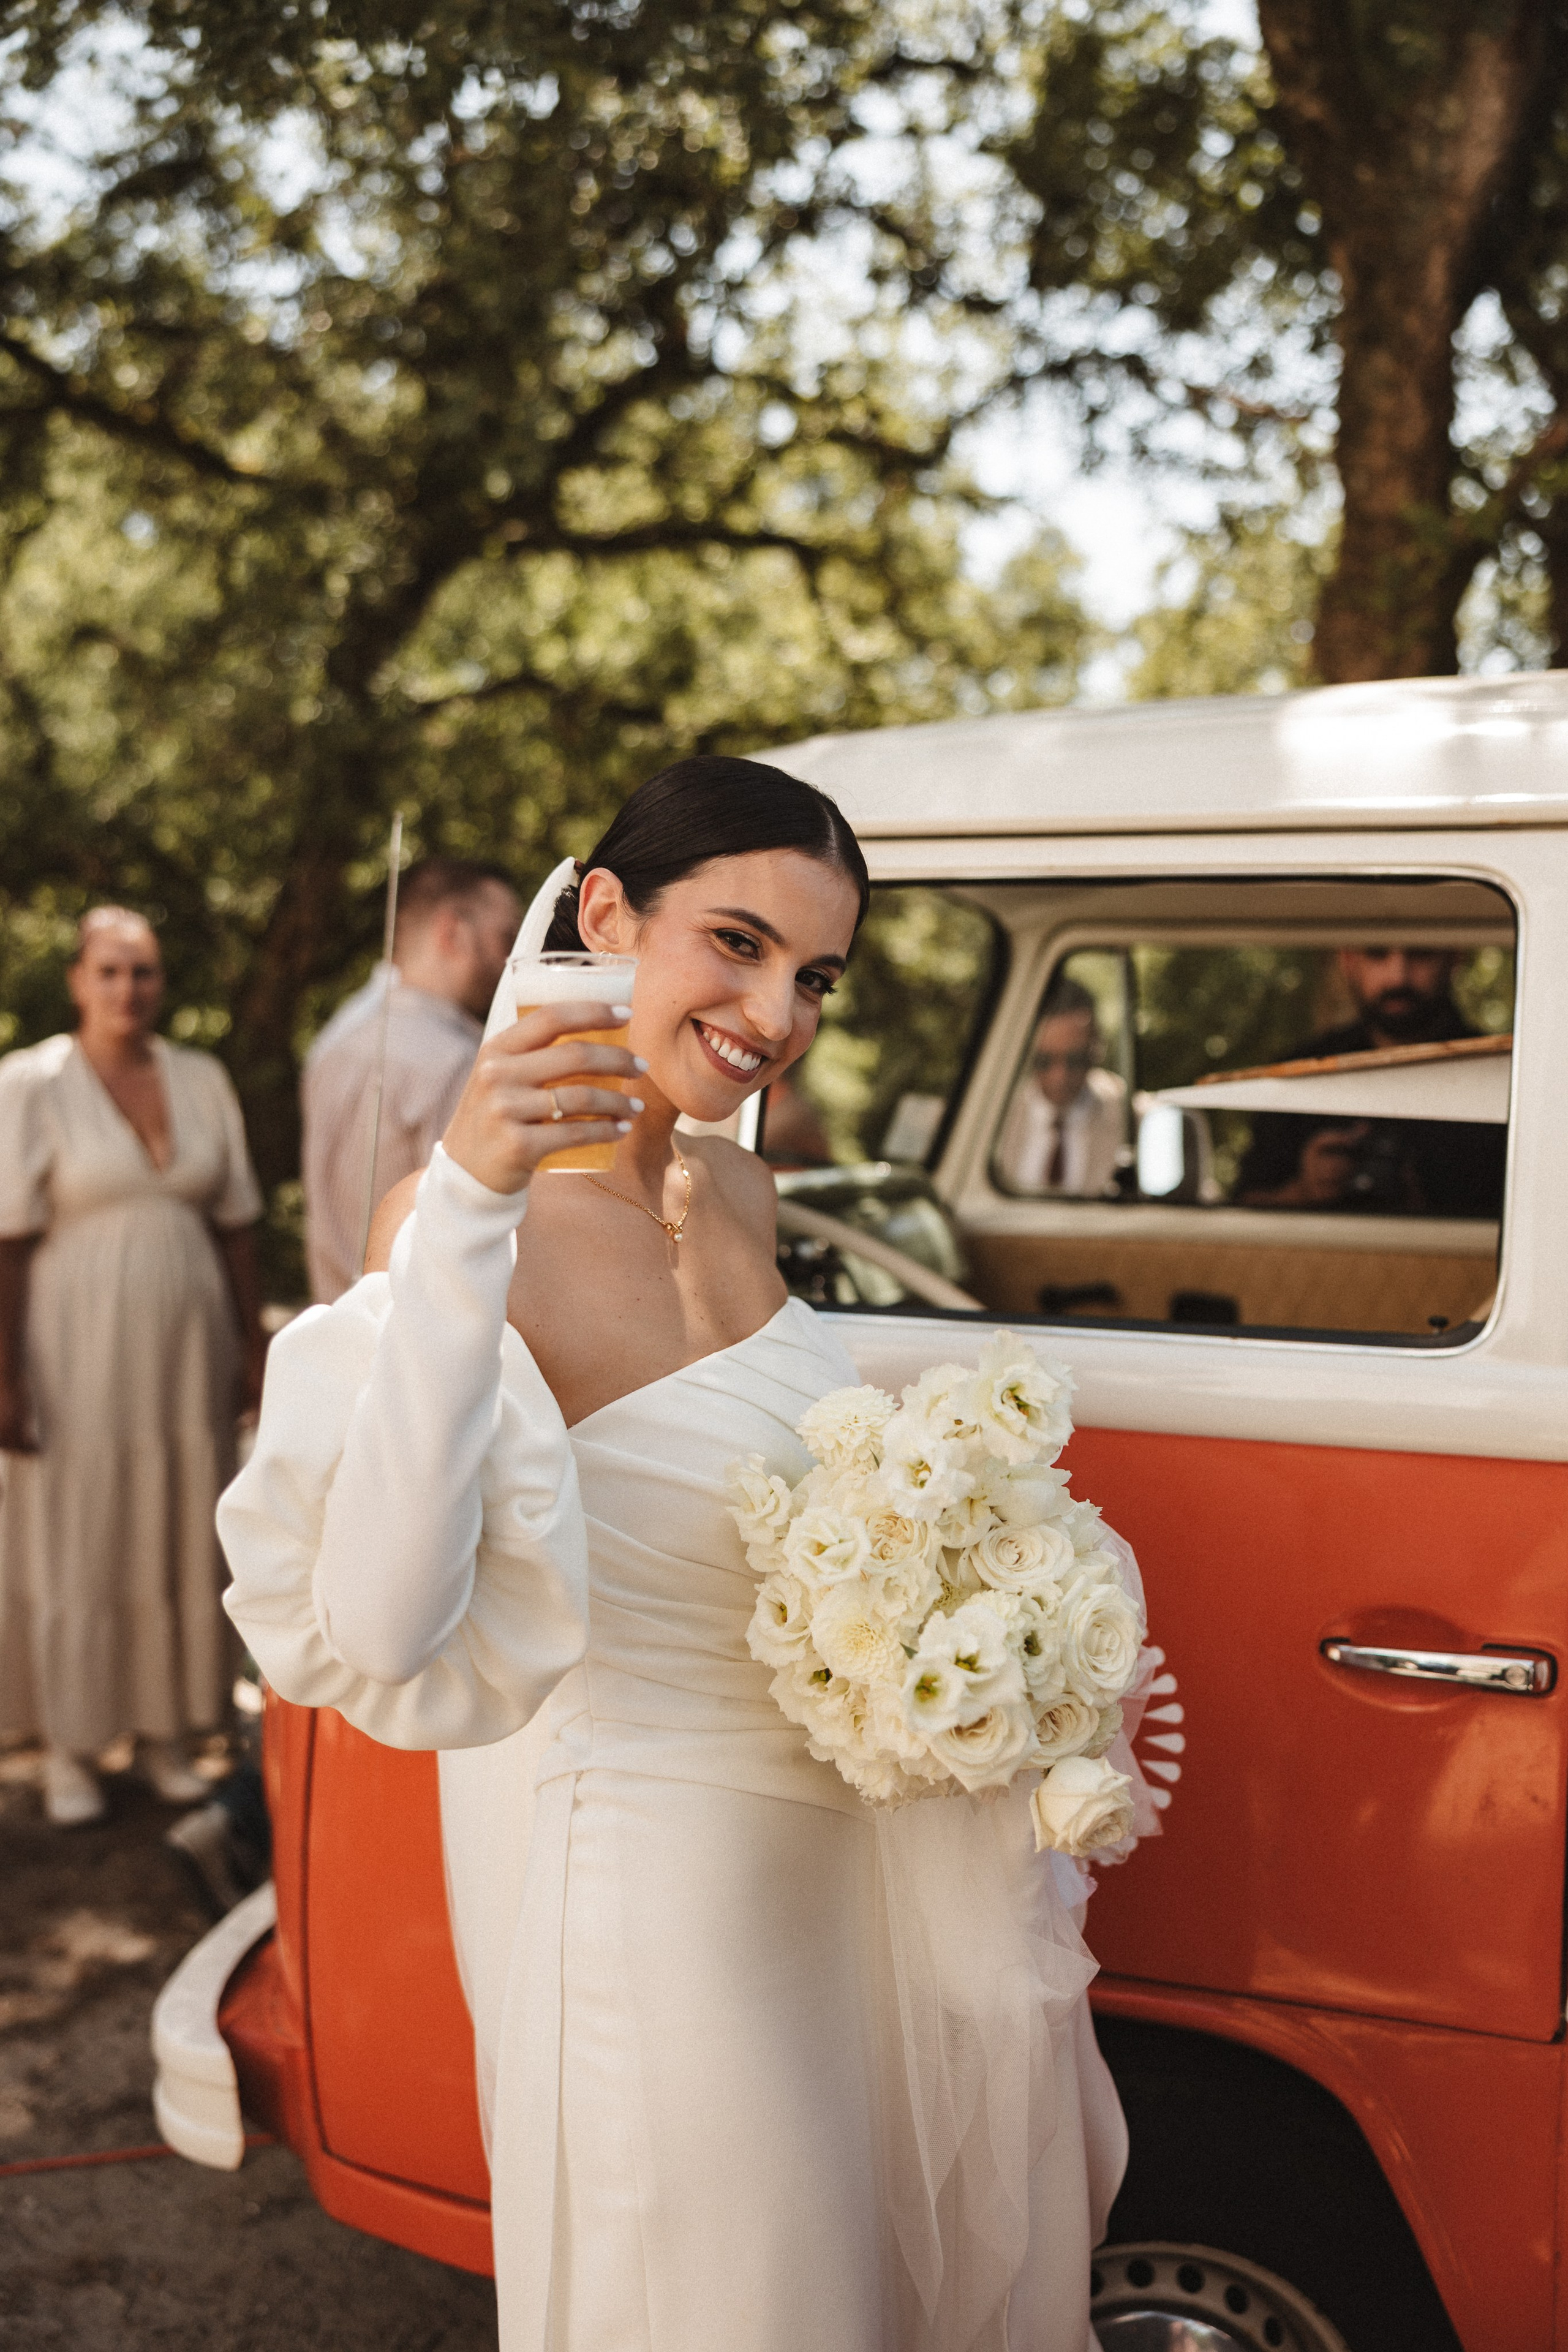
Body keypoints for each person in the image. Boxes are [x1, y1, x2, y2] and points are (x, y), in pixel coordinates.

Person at [220, 756, 1158, 2352]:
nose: (778, 1011)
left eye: (815, 977)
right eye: (736, 943)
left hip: (834, 1887)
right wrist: (463, 1208)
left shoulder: (740, 1183)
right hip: (651, 1902)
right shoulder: (446, 1225)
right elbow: (382, 1624)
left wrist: (990, 1638)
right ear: (603, 914)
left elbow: (798, 1524)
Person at [0, 907, 268, 1826]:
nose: (128, 989)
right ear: (78, 979)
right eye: (110, 971)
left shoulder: (200, 1077)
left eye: (144, 971)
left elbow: (236, 1221)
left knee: (179, 1524)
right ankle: (70, 1746)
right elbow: (5, 1240)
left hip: (188, 1348)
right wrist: (4, 1374)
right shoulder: (32, 1082)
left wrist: (252, 1345)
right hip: (73, 1344)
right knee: (80, 1527)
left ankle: (163, 1731)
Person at [301, 856, 521, 1301]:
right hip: (412, 1329)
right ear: (452, 932)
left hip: (336, 1325)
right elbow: (467, 1231)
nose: (514, 960)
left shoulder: (335, 1040)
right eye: (507, 939)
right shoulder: (457, 1061)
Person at [1235, 946, 1507, 1217]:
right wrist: (1306, 1191)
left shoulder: (1503, 1078)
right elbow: (1241, 1211)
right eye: (1377, 954)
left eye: (1421, 954)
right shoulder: (1301, 1072)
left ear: (1455, 958)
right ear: (1348, 960)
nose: (1398, 977)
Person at [993, 976, 1127, 1197]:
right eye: (1044, 1061)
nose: (1059, 1077)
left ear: (1096, 1050)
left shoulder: (1133, 1119)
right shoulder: (993, 1117)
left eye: (1075, 1060)